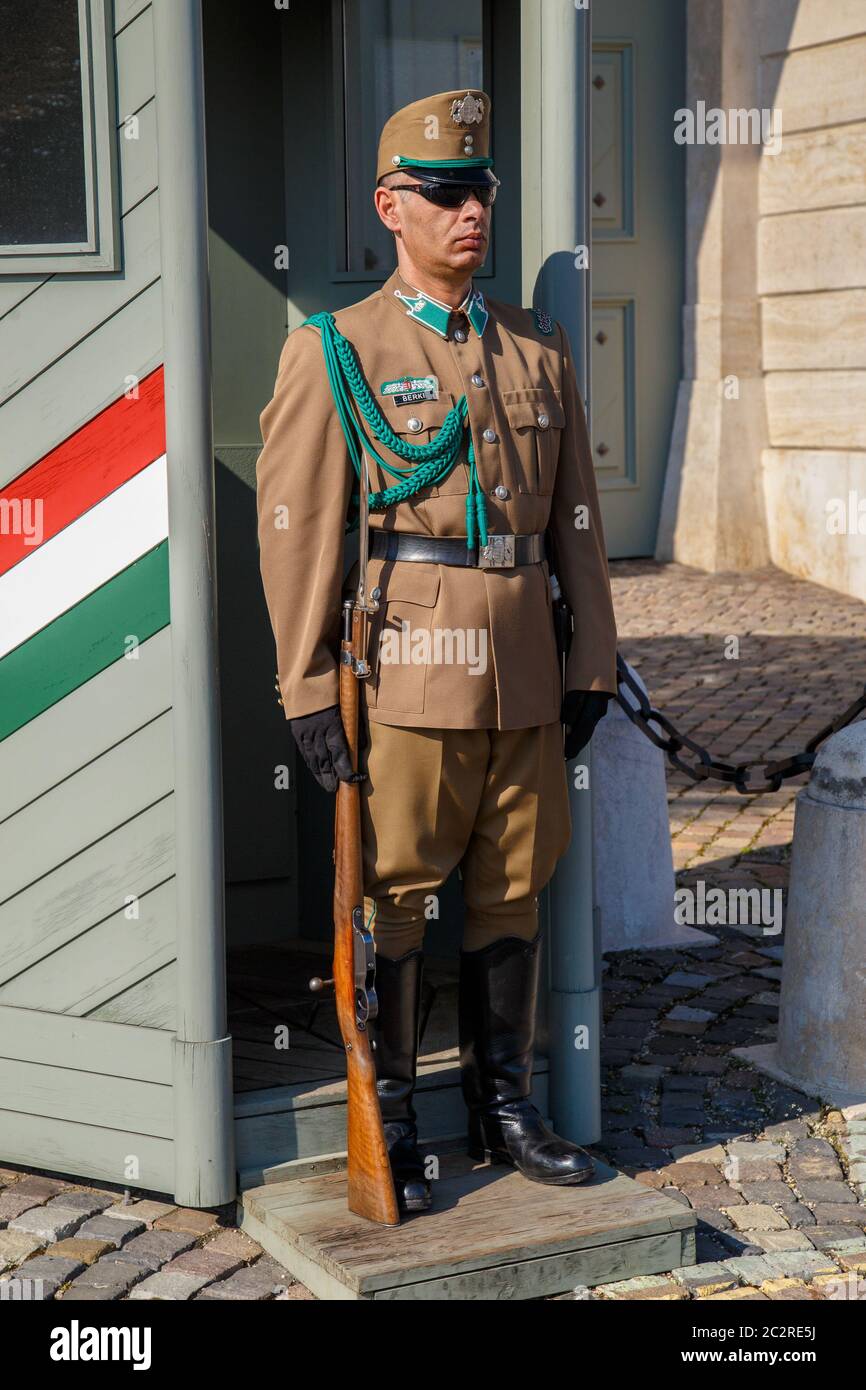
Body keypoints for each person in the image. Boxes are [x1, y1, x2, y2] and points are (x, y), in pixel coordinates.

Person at [256, 89, 618, 1213]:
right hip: (408, 666)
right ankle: (396, 1116)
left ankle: (503, 1110)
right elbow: (303, 529)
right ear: (389, 208)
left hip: (522, 663)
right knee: (398, 897)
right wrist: (310, 684)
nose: (470, 210)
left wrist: (590, 661)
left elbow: (575, 525)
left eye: (481, 192)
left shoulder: (534, 345)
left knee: (514, 887)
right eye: (444, 193)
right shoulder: (337, 349)